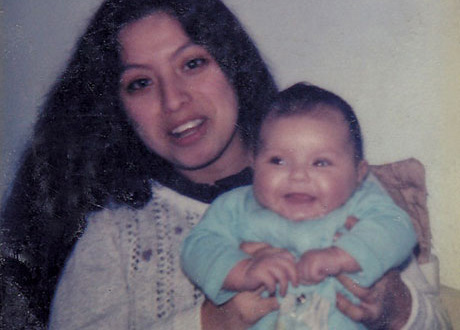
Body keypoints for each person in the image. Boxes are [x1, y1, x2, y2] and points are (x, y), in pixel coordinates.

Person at [0, 0, 450, 329]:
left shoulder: (332, 182)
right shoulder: (114, 234)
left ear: (234, 66)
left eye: (193, 63)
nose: (173, 100)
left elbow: (435, 322)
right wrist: (214, 321)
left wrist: (392, 307)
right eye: (139, 82)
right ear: (117, 107)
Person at [181, 83, 418, 329]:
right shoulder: (236, 206)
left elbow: (397, 228)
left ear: (359, 174)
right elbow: (198, 246)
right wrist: (242, 270)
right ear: (254, 163)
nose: (298, 176)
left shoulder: (362, 201)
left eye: (320, 162)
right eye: (278, 160)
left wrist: (343, 256)